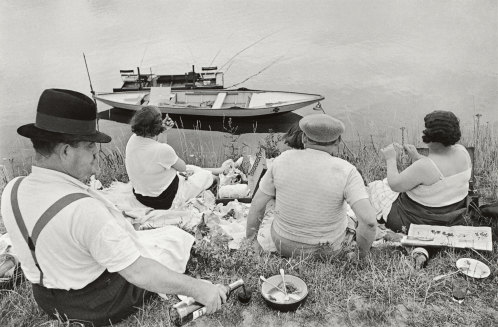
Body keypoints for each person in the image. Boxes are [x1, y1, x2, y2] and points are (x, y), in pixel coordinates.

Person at [0, 89, 227, 326]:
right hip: (95, 304)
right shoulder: (84, 210)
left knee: (155, 238)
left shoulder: (12, 190)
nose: (96, 160)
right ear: (66, 151)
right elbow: (139, 272)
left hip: (45, 299)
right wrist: (199, 289)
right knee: (172, 241)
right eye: (91, 149)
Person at [246, 114, 377, 258]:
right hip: (327, 251)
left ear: (303, 138)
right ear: (338, 141)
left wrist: (252, 241)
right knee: (351, 220)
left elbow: (257, 204)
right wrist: (361, 255)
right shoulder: (347, 171)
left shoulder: (281, 160)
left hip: (283, 245)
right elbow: (369, 222)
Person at [379, 110, 471, 233]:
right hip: (452, 213)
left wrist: (390, 159)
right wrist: (416, 156)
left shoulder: (424, 166)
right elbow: (439, 171)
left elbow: (395, 185)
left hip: (419, 219)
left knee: (378, 188)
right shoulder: (462, 152)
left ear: (429, 135)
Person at [125, 106, 225, 210]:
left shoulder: (132, 140)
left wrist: (162, 131)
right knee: (208, 177)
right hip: (164, 199)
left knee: (189, 168)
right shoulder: (163, 150)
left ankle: (221, 170)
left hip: (142, 196)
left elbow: (159, 154)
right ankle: (217, 177)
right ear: (156, 126)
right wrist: (161, 130)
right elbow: (182, 168)